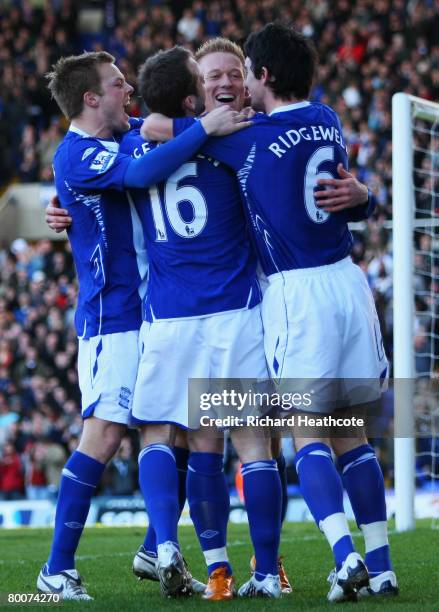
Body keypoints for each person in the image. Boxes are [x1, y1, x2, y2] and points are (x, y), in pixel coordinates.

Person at [47, 40, 376, 601]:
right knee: (253, 443)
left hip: (169, 318)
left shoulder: (141, 143)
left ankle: (187, 557)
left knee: (174, 434)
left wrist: (70, 206)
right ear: (194, 93)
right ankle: (261, 570)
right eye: (210, 77)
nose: (220, 84)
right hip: (237, 312)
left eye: (231, 73)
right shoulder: (235, 147)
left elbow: (131, 164)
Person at [145, 23, 397, 602]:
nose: (233, 85)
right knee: (350, 432)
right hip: (349, 284)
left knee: (305, 432)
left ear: (261, 76)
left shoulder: (242, 139)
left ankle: (344, 556)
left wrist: (180, 124)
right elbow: (337, 187)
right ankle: (381, 567)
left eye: (241, 73)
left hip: (293, 296)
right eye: (215, 77)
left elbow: (157, 128)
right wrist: (367, 199)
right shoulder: (329, 117)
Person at [36, 49, 246, 601]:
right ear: (90, 97)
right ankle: (55, 571)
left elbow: (150, 139)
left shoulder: (121, 136)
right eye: (116, 83)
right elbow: (141, 172)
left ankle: (157, 548)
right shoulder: (78, 154)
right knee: (103, 437)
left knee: (172, 426)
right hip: (114, 318)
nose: (127, 89)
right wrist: (202, 126)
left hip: (156, 311)